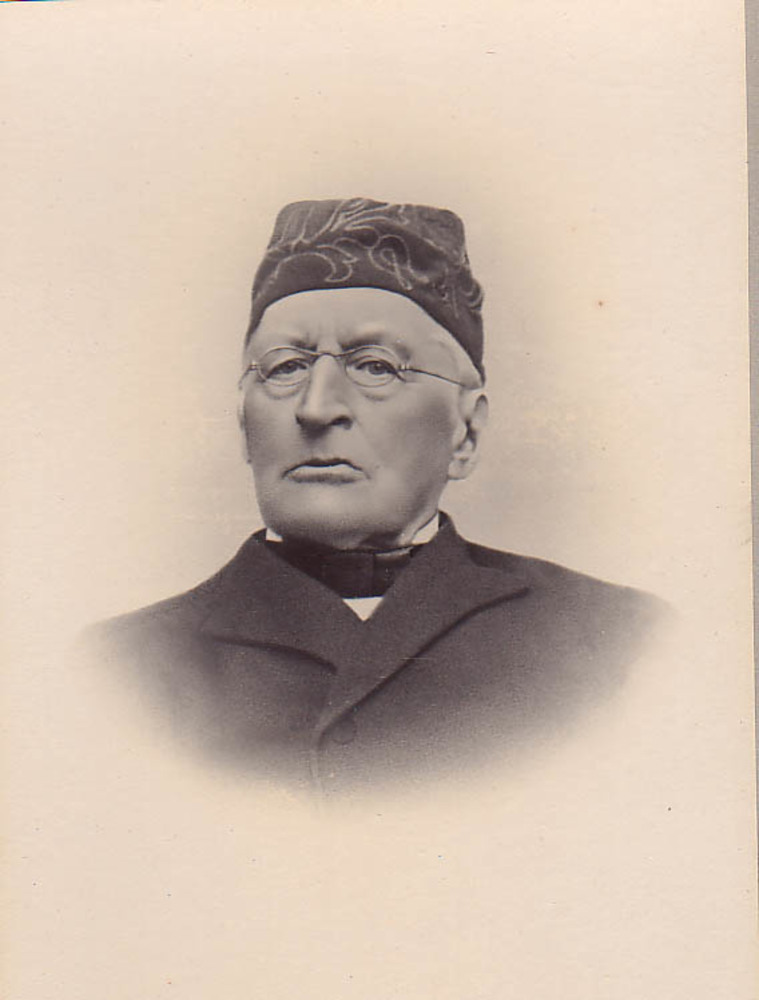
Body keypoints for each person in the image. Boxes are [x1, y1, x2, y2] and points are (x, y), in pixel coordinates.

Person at [83, 197, 666, 797]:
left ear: (466, 433)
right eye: (284, 367)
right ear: (242, 428)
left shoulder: (621, 643)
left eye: (376, 366)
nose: (316, 408)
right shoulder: (110, 674)